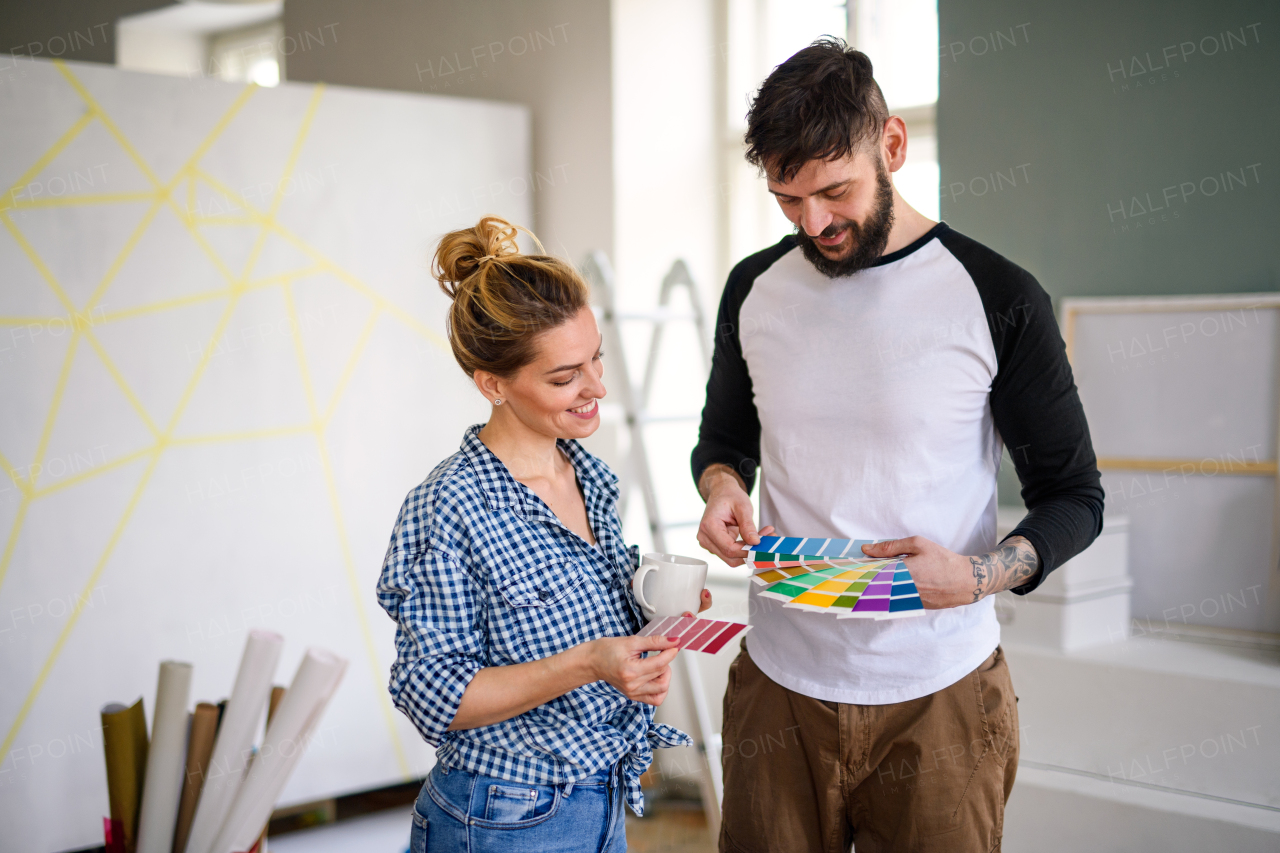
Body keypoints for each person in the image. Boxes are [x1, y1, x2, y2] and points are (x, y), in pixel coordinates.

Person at [692, 39, 1104, 853]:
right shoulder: (753, 289)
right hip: (778, 687)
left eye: (834, 191)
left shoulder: (998, 297)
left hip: (940, 696)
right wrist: (718, 488)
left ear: (892, 145)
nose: (814, 223)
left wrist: (980, 573)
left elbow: (1076, 496)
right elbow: (726, 439)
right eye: (787, 199)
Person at [378, 216, 709, 853]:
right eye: (565, 378)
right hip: (503, 817)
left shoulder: (587, 473)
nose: (598, 389)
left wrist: (655, 608)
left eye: (596, 360)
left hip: (600, 797)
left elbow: (577, 605)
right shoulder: (449, 508)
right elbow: (432, 696)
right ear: (493, 384)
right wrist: (590, 663)